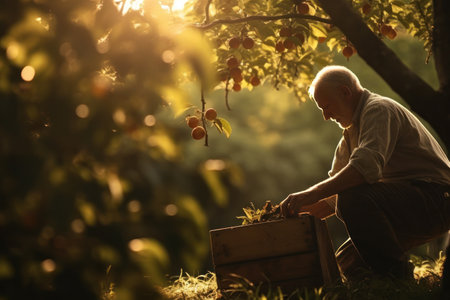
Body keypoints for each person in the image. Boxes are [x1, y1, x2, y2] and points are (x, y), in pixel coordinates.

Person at [280, 65, 450, 281]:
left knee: (353, 198)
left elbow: (364, 169)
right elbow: (332, 197)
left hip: (438, 199)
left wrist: (309, 193)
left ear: (345, 92)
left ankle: (398, 283)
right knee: (347, 261)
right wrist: (288, 218)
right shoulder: (351, 135)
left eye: (327, 106)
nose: (326, 116)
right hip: (411, 203)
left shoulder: (379, 109)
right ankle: (382, 282)